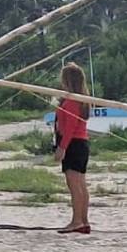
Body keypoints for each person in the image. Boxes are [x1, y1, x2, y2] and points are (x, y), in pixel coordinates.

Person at [54, 62, 91, 234]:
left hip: (74, 144)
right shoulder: (82, 98)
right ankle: (83, 220)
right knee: (80, 184)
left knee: (75, 184)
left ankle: (77, 221)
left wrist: (62, 147)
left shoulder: (72, 101)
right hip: (81, 143)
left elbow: (69, 128)